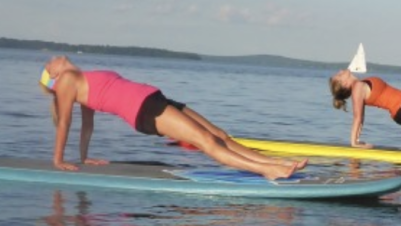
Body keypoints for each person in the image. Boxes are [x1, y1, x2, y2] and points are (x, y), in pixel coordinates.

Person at [39, 56, 306, 181]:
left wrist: (84, 157)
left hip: (154, 99)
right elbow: (65, 122)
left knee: (219, 135)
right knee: (205, 141)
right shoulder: (67, 82)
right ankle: (268, 171)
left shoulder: (82, 80)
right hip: (143, 111)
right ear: (54, 78)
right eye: (51, 63)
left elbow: (88, 125)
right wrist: (59, 160)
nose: (56, 58)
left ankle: (275, 162)